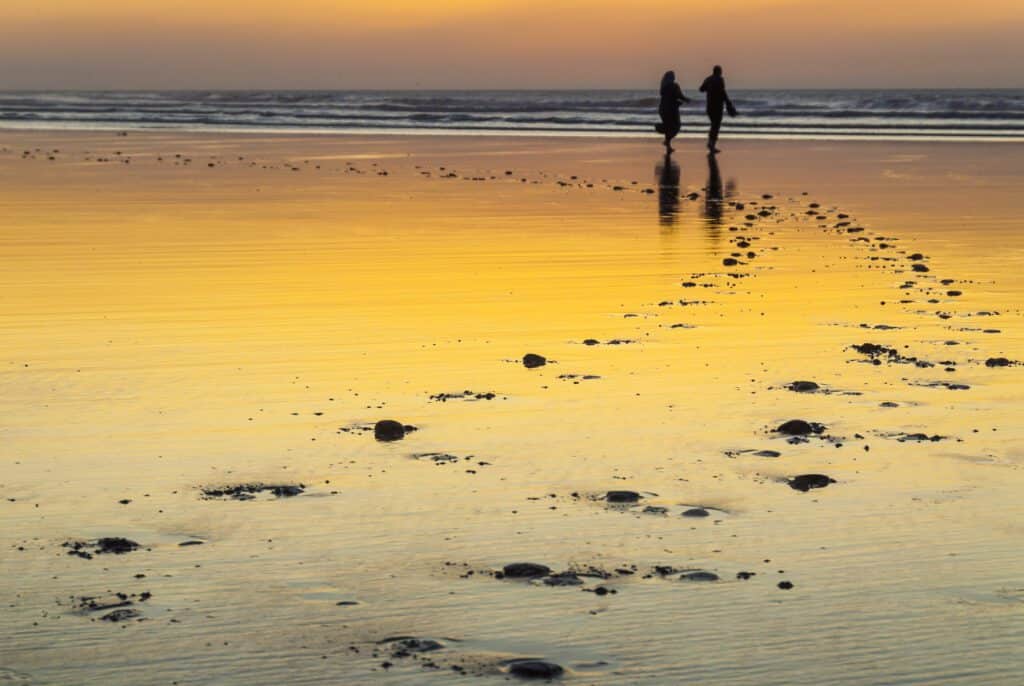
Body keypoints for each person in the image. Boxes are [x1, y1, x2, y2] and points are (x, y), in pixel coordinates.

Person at [699, 65, 736, 154]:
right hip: (718, 106)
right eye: (721, 71)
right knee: (716, 125)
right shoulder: (720, 79)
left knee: (714, 125)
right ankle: (711, 144)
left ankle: (711, 144)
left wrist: (709, 88)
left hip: (709, 106)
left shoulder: (708, 79)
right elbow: (723, 92)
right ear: (719, 71)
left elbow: (701, 89)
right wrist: (728, 102)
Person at [656, 71, 689, 153]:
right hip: (672, 110)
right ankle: (665, 139)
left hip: (662, 109)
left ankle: (668, 146)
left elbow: (670, 97)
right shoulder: (674, 86)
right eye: (673, 76)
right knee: (676, 126)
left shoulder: (663, 87)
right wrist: (687, 100)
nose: (674, 77)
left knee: (668, 127)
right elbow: (679, 95)